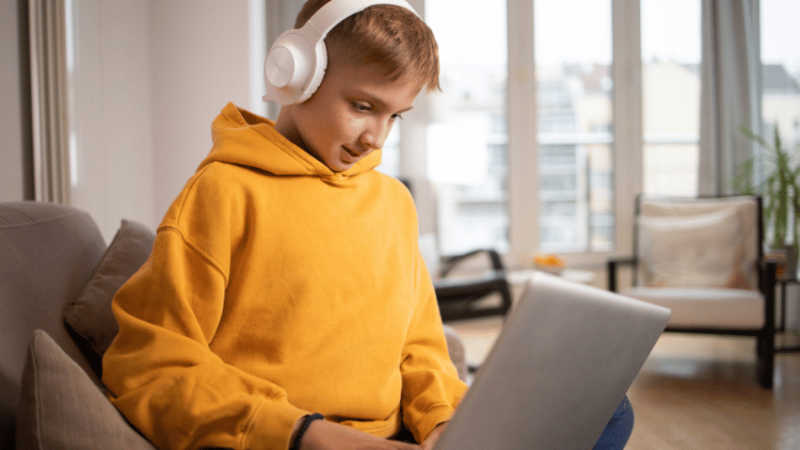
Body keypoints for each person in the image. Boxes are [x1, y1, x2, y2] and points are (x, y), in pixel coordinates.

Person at [102, 1, 633, 449]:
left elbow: (420, 348)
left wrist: (443, 422)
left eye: (395, 116)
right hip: (296, 439)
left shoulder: (392, 202)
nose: (375, 138)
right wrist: (308, 434)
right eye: (362, 106)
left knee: (610, 409)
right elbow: (149, 364)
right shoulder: (223, 193)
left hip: (397, 436)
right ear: (295, 74)